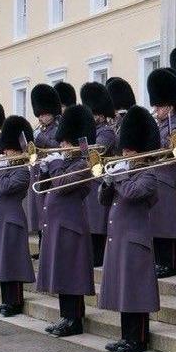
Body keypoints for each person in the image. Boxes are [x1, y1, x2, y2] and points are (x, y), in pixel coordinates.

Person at [98, 106, 163, 352]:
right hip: (119, 237)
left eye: (129, 150)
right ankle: (127, 336)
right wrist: (106, 182)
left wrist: (119, 177)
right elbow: (104, 201)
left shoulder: (148, 174)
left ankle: (139, 338)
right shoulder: (124, 172)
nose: (124, 154)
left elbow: (133, 193)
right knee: (124, 291)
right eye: (124, 149)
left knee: (136, 292)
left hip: (136, 239)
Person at [36, 104, 97, 338]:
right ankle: (66, 316)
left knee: (72, 274)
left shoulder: (83, 164)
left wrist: (52, 164)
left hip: (71, 225)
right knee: (62, 272)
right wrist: (43, 169)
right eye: (61, 143)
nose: (61, 147)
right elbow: (43, 188)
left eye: (64, 143)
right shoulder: (63, 163)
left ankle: (74, 319)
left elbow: (62, 185)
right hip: (57, 224)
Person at [0, 116, 36, 318]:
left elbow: (6, 188)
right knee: (1, 261)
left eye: (9, 149)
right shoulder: (4, 167)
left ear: (18, 150)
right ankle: (6, 300)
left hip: (12, 220)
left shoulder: (22, 171)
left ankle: (15, 302)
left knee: (12, 262)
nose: (4, 153)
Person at [147, 67, 176, 278]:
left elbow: (170, 148)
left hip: (169, 177)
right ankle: (160, 261)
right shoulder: (159, 124)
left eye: (159, 106)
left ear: (169, 105)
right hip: (157, 176)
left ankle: (169, 262)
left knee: (167, 224)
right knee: (157, 224)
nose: (156, 109)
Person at [80, 81, 118, 267]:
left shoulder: (107, 132)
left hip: (100, 181)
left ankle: (98, 257)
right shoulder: (92, 130)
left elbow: (97, 151)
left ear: (101, 115)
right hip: (89, 183)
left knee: (98, 224)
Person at [27, 83, 61, 248]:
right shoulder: (39, 130)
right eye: (39, 114)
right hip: (38, 174)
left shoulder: (58, 128)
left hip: (50, 177)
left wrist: (42, 140)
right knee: (39, 214)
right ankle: (42, 245)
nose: (40, 118)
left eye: (44, 114)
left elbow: (59, 146)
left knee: (46, 213)